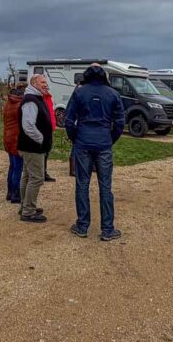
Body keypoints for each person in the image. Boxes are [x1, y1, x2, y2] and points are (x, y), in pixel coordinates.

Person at [64, 64, 125, 241]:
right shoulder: (113, 93)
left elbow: (69, 120)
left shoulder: (79, 93)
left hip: (83, 141)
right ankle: (107, 229)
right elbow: (120, 122)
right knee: (105, 186)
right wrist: (110, 139)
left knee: (82, 184)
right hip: (104, 143)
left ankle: (82, 225)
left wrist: (76, 138)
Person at [18, 74, 53, 222]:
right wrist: (41, 139)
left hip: (30, 146)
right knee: (37, 178)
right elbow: (28, 125)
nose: (46, 85)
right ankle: (28, 211)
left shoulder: (36, 98)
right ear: (34, 83)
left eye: (46, 82)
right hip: (32, 147)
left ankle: (25, 206)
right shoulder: (31, 100)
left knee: (27, 177)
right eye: (42, 82)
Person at [2, 81, 25, 203]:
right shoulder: (20, 105)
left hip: (8, 137)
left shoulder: (7, 103)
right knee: (18, 168)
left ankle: (10, 192)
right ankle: (16, 194)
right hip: (17, 138)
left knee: (12, 166)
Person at [43, 88, 57, 183]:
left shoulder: (48, 97)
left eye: (46, 86)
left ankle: (44, 172)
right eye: (44, 85)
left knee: (47, 151)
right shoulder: (40, 98)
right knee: (42, 152)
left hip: (49, 128)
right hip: (43, 129)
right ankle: (41, 173)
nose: (46, 88)